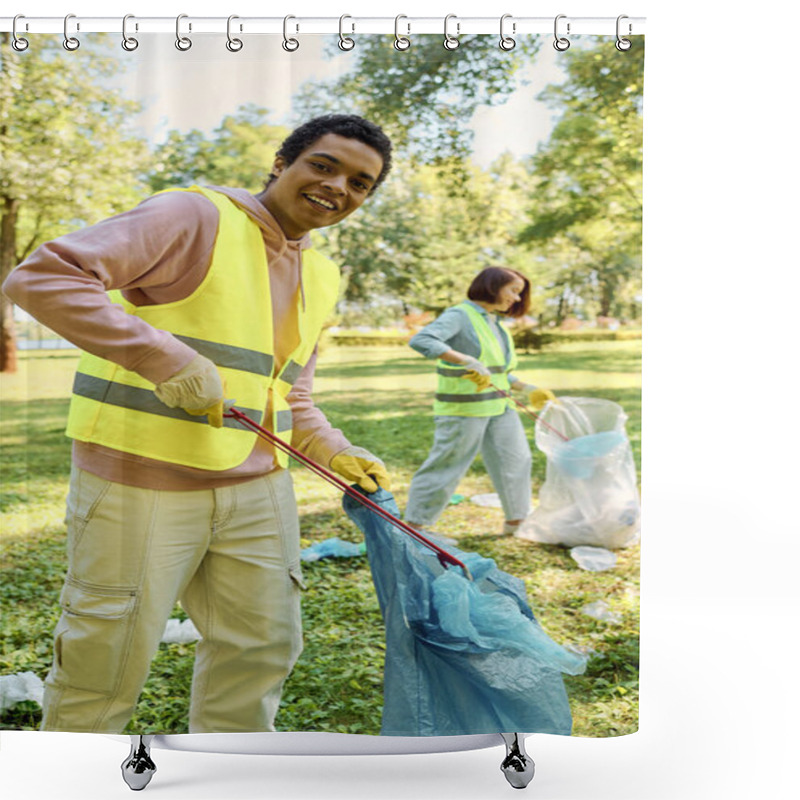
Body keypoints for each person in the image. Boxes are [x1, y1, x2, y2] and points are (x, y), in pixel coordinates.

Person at [2, 114, 393, 734]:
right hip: (139, 484)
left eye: (360, 182)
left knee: (261, 649)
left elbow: (289, 393)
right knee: (103, 661)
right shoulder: (194, 216)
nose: (338, 186)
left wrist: (335, 450)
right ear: (280, 163)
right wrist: (163, 357)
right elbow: (42, 277)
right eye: (323, 165)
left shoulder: (322, 275)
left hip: (257, 487)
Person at [404, 267, 556, 536]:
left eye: (519, 293)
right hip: (464, 410)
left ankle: (517, 522)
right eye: (513, 291)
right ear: (492, 286)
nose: (517, 299)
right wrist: (465, 360)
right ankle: (415, 528)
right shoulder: (460, 316)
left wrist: (527, 388)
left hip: (500, 407)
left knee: (516, 461)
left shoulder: (494, 323)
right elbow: (422, 340)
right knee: (447, 465)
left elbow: (498, 372)